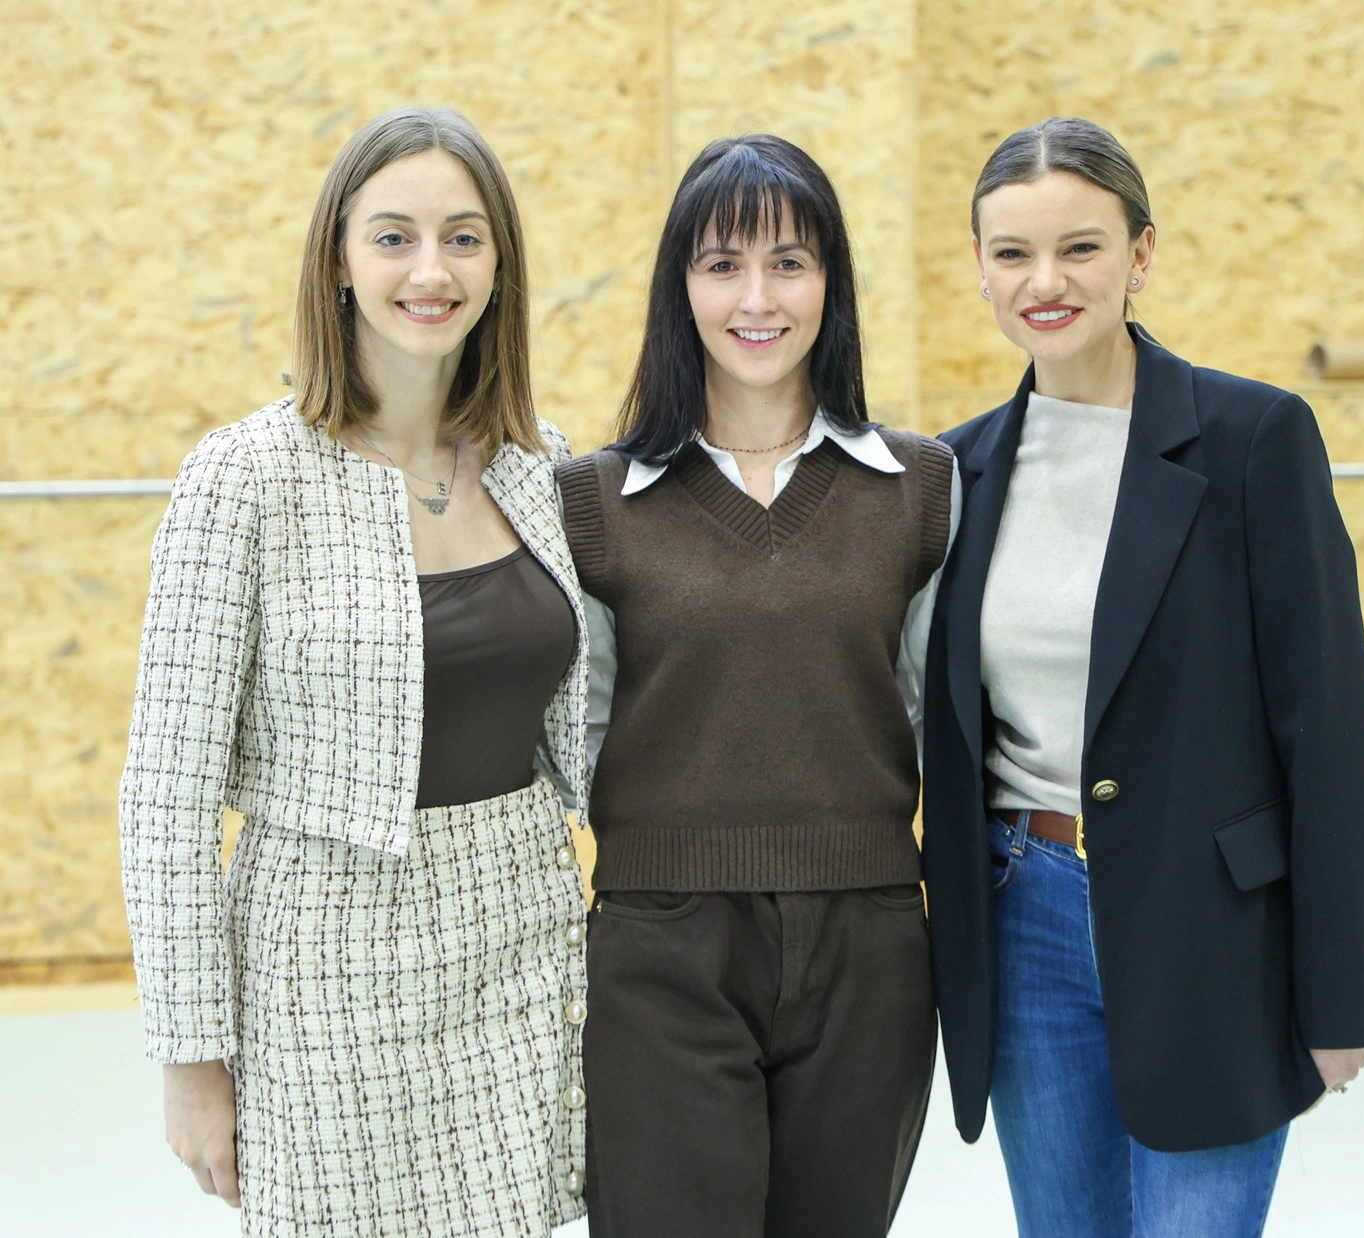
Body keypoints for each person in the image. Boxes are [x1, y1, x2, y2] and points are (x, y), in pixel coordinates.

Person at [118, 106, 590, 1236]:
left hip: (522, 940)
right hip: (322, 967)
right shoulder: (245, 477)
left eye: (464, 238)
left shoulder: (541, 465)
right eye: (393, 238)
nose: (431, 271)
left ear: (499, 265)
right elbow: (166, 795)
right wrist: (192, 1060)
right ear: (337, 260)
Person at [920, 116, 1364, 1236]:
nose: (1045, 281)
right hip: (1023, 918)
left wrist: (1341, 995)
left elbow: (1330, 729)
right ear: (980, 268)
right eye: (1013, 252)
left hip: (1210, 928)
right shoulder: (955, 469)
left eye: (1080, 247)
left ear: (1140, 255)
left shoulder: (1252, 438)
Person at [556, 134, 958, 1238]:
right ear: (678, 287)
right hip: (660, 948)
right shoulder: (592, 502)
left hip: (870, 946)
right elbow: (582, 733)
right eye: (722, 265)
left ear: (832, 282)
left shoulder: (921, 487)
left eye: (790, 263)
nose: (757, 299)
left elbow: (931, 716)